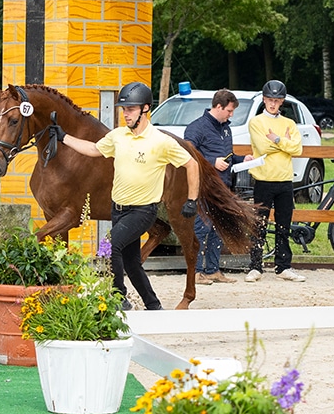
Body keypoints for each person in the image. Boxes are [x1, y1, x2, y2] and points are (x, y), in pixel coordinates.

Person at [54, 81, 199, 311]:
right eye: (123, 109)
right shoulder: (118, 136)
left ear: (145, 109)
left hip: (143, 210)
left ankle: (118, 297)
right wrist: (64, 138)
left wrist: (192, 199)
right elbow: (94, 149)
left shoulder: (160, 141)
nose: (125, 114)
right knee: (132, 263)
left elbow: (191, 164)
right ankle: (153, 306)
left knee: (111, 245)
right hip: (118, 209)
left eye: (130, 109)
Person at [245, 80, 306, 283]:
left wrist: (277, 139)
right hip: (264, 179)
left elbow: (298, 149)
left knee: (284, 224)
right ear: (264, 100)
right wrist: (285, 143)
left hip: (284, 179)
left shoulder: (289, 123)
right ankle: (255, 266)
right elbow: (262, 147)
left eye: (277, 101)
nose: (273, 104)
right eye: (270, 100)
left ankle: (283, 265)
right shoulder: (256, 122)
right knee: (259, 224)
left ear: (282, 102)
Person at [183, 89, 240, 285]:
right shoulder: (196, 128)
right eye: (229, 111)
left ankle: (213, 270)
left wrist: (242, 159)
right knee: (201, 227)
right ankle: (196, 272)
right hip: (204, 186)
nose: (231, 115)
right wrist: (211, 162)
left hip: (223, 186)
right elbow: (188, 154)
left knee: (218, 228)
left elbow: (227, 156)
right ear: (218, 106)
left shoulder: (226, 128)